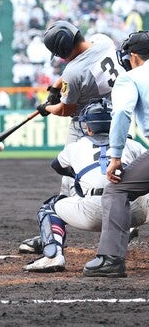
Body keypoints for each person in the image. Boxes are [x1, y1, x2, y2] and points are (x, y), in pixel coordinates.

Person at [19, 21, 125, 253]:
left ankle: (52, 237)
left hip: (85, 125)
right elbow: (71, 76)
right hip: (117, 120)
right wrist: (57, 88)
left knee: (69, 181)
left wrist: (47, 108)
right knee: (117, 173)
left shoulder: (73, 72)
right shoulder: (103, 40)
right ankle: (122, 221)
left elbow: (66, 109)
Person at [23, 98, 148, 273]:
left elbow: (57, 166)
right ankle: (127, 230)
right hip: (131, 212)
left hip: (91, 212)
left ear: (88, 127)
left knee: (49, 208)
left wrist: (83, 175)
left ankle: (53, 256)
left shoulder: (75, 147)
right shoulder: (132, 145)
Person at [84, 31, 149, 277]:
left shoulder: (131, 78)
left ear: (133, 56)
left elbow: (122, 114)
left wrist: (115, 157)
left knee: (117, 189)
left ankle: (111, 258)